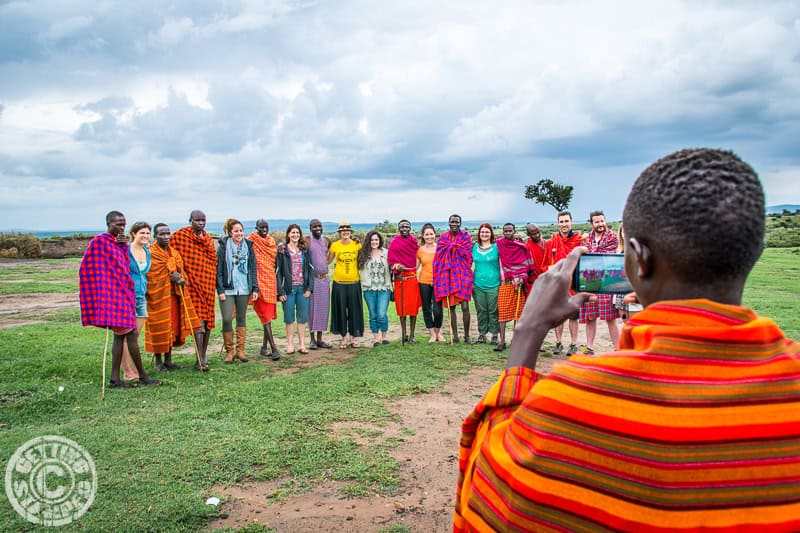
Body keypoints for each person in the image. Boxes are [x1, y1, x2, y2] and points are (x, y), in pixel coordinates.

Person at [454, 148, 800, 531]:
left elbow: (486, 500)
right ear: (751, 253)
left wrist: (527, 333)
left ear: (637, 259)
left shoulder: (572, 400)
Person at [79, 211, 160, 388]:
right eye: (118, 224)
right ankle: (142, 376)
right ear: (108, 223)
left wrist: (122, 246)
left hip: (126, 294)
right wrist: (103, 289)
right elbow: (89, 267)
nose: (121, 227)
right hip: (112, 295)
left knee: (121, 336)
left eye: (123, 224)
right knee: (129, 334)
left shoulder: (120, 244)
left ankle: (115, 379)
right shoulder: (100, 241)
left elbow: (122, 265)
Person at [144, 224, 203, 370]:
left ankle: (168, 360)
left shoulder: (174, 254)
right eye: (161, 234)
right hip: (157, 298)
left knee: (172, 328)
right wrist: (168, 277)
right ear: (155, 236)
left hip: (174, 296)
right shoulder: (151, 254)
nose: (165, 237)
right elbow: (150, 277)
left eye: (167, 234)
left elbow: (182, 274)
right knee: (159, 328)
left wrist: (181, 279)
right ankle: (158, 362)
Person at [170, 210, 217, 368]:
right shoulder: (180, 236)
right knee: (198, 321)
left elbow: (212, 260)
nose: (201, 223)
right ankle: (200, 358)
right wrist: (176, 272)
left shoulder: (208, 239)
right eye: (197, 220)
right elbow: (169, 253)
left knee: (209, 320)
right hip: (192, 284)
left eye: (203, 220)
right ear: (190, 220)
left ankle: (203, 354)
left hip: (208, 284)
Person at [577, 210, 620, 353]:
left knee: (610, 317)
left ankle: (618, 348)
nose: (600, 224)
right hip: (590, 281)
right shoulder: (587, 237)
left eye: (602, 221)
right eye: (597, 222)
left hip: (606, 282)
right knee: (590, 316)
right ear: (591, 223)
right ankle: (589, 347)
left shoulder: (612, 237)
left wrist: (588, 251)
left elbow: (605, 256)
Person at [216, 218, 259, 363]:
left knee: (241, 318)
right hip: (228, 289)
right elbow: (219, 269)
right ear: (229, 232)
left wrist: (254, 287)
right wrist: (220, 289)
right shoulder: (223, 246)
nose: (239, 233)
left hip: (244, 287)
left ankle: (240, 351)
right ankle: (230, 351)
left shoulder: (248, 246)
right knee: (227, 319)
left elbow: (253, 268)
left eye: (241, 230)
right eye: (236, 231)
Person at [544, 210, 582, 355]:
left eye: (566, 221)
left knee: (573, 316)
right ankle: (558, 343)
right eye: (561, 221)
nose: (564, 224)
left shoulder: (578, 241)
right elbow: (546, 263)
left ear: (571, 222)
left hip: (573, 284)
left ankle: (573, 344)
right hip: (558, 285)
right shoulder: (552, 241)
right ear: (558, 223)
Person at [495, 223, 535, 351]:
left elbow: (525, 266)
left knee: (518, 314)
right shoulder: (500, 244)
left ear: (514, 231)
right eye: (505, 231)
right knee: (502, 314)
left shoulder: (520, 246)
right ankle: (501, 342)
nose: (507, 233)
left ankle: (515, 340)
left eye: (510, 231)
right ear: (503, 232)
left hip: (519, 283)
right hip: (505, 283)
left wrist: (522, 278)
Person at [433, 214, 474, 343]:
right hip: (449, 276)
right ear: (448, 223)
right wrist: (451, 248)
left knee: (465, 307)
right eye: (452, 222)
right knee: (451, 308)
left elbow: (468, 255)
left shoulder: (466, 237)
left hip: (462, 276)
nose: (454, 224)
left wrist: (454, 248)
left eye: (457, 222)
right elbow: (439, 256)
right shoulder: (444, 238)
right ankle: (455, 336)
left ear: (460, 223)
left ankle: (467, 336)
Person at [121, 221, 151, 379]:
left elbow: (145, 274)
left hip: (141, 296)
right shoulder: (125, 250)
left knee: (136, 335)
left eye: (147, 233)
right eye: (142, 233)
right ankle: (128, 371)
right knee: (126, 335)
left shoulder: (147, 251)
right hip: (127, 296)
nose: (145, 236)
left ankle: (134, 368)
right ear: (133, 234)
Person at [276, 224, 313, 355]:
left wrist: (309, 288)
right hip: (288, 290)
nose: (295, 235)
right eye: (293, 233)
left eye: (297, 233)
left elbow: (310, 269)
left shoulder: (305, 250)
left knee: (302, 318)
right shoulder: (282, 250)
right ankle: (290, 345)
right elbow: (278, 272)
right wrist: (280, 292)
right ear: (288, 234)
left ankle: (302, 344)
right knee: (289, 318)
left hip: (303, 289)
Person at [248, 219, 281, 360]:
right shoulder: (251, 240)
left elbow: (275, 259)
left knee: (267, 317)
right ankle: (274, 348)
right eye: (261, 227)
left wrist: (281, 247)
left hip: (270, 281)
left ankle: (263, 348)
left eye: (266, 227)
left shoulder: (271, 242)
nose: (264, 229)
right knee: (265, 317)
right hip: (258, 283)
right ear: (256, 228)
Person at [328, 222, 364, 348]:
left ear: (351, 232)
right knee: (341, 311)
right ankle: (343, 338)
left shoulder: (357, 244)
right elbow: (328, 261)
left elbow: (363, 259)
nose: (345, 232)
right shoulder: (335, 246)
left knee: (354, 311)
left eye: (347, 230)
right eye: (343, 230)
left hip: (354, 283)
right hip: (339, 283)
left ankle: (353, 338)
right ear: (339, 232)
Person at [387, 219, 422, 343]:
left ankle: (412, 335)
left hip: (412, 278)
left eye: (407, 226)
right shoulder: (395, 243)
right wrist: (396, 266)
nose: (404, 228)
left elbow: (418, 256)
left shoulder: (413, 242)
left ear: (410, 228)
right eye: (402, 226)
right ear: (399, 228)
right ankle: (403, 333)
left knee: (413, 309)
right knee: (402, 309)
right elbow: (391, 261)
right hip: (400, 279)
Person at [358, 230, 392, 346]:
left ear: (380, 241)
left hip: (384, 288)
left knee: (381, 313)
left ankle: (384, 336)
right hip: (369, 288)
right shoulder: (363, 254)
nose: (374, 242)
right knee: (373, 314)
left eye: (376, 239)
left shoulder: (386, 253)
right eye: (372, 240)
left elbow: (393, 266)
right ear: (368, 241)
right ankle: (376, 338)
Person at [305, 219, 333, 350]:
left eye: (319, 226)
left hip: (324, 280)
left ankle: (320, 339)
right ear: (310, 228)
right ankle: (312, 340)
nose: (318, 228)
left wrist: (327, 262)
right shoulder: (307, 241)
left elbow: (334, 251)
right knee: (311, 309)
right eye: (315, 226)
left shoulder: (326, 240)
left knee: (322, 310)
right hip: (311, 280)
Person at [471, 223, 499, 345]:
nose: (484, 234)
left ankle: (494, 334)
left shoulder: (496, 247)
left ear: (491, 233)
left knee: (493, 310)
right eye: (482, 232)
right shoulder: (474, 247)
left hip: (494, 284)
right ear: (479, 233)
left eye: (487, 232)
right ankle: (482, 334)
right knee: (481, 310)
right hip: (478, 284)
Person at [417, 223, 445, 343]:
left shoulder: (440, 248)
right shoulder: (420, 251)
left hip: (438, 283)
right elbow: (415, 267)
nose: (429, 236)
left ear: (435, 234)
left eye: (431, 234)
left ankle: (438, 332)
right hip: (424, 282)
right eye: (426, 234)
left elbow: (446, 265)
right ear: (423, 236)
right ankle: (432, 334)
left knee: (437, 310)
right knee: (427, 308)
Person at [525, 222, 547, 292]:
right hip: (533, 283)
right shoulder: (525, 246)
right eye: (534, 234)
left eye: (538, 232)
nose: (537, 235)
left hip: (546, 280)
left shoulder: (546, 243)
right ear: (528, 235)